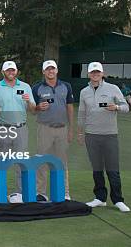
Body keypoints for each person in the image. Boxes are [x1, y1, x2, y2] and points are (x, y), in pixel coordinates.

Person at [78, 62, 130, 212]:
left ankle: (118, 200)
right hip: (91, 135)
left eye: (97, 72)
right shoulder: (84, 92)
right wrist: (80, 132)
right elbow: (81, 113)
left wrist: (117, 107)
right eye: (92, 72)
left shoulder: (113, 88)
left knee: (113, 169)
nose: (95, 74)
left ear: (102, 73)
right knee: (97, 169)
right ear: (88, 74)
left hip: (109, 135)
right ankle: (100, 198)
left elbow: (126, 107)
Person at [0, 61, 36, 203]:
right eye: (8, 70)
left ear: (16, 71)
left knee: (20, 163)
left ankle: (20, 194)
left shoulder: (25, 87)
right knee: (0, 163)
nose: (10, 72)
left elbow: (33, 110)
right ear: (3, 72)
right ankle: (0, 193)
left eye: (13, 70)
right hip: (1, 128)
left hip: (21, 128)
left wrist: (29, 101)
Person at [32, 60, 74, 201]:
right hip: (44, 128)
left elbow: (70, 108)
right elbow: (31, 109)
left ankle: (64, 193)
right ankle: (41, 193)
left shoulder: (66, 86)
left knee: (62, 162)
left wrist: (71, 129)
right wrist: (38, 107)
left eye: (53, 69)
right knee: (42, 161)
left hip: (62, 128)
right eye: (47, 69)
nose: (50, 71)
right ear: (43, 72)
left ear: (57, 70)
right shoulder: (37, 88)